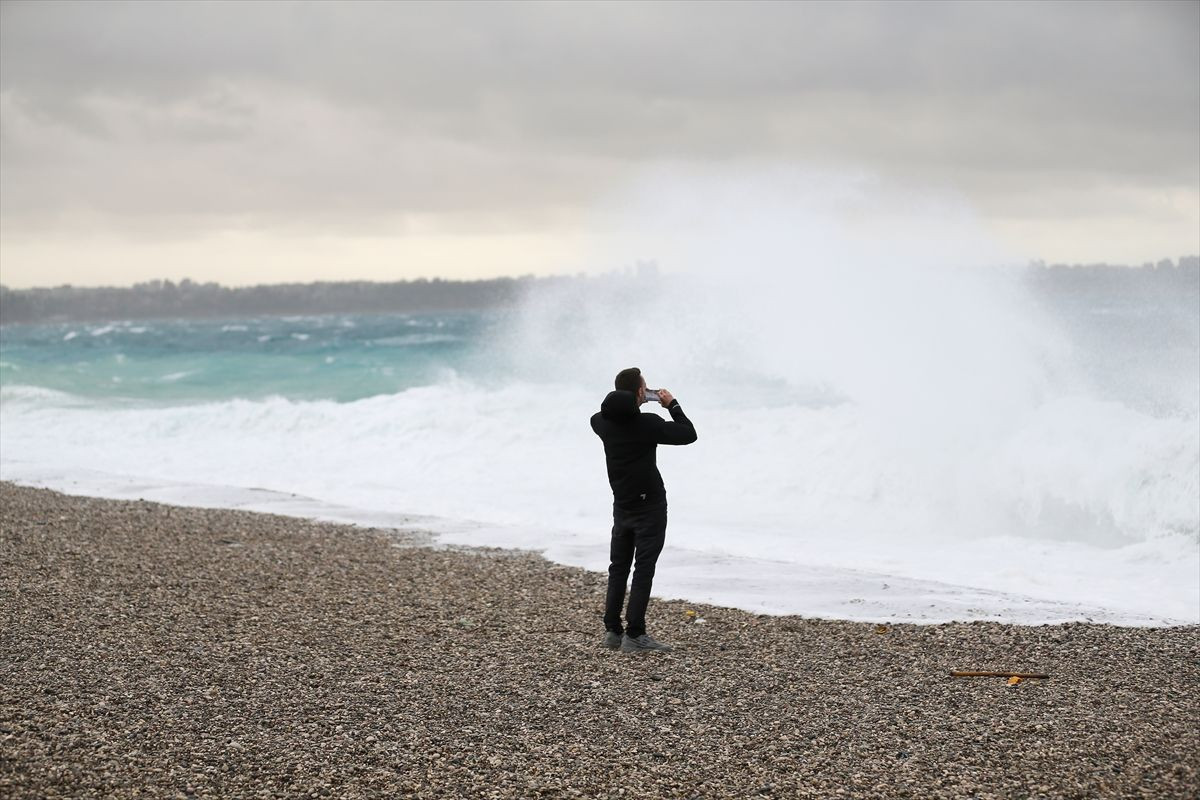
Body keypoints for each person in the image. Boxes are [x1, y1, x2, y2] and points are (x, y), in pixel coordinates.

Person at [590, 366, 697, 653]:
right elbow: (689, 434)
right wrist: (671, 404)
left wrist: (632, 400)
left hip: (622, 506)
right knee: (643, 570)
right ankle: (635, 634)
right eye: (644, 388)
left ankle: (613, 631)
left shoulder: (600, 422)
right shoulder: (648, 424)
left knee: (618, 569)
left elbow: (608, 412)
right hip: (649, 507)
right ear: (640, 393)